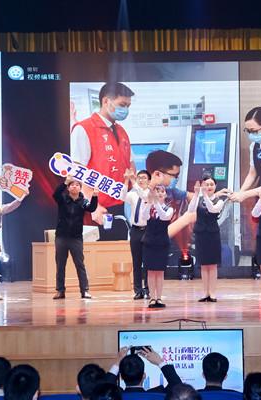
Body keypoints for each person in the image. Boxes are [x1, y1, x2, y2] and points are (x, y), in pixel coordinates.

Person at [70, 82, 135, 240]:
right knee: (98, 254)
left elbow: (130, 164)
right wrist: (93, 207)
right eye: (122, 104)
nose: (126, 110)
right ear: (106, 101)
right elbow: (77, 173)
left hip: (119, 207)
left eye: (128, 106)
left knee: (121, 253)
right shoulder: (84, 129)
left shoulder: (121, 131)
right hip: (96, 210)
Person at [52, 176, 98, 299]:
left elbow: (92, 208)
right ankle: (60, 290)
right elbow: (55, 194)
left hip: (76, 238)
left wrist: (95, 196)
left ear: (80, 188)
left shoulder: (83, 202)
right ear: (68, 188)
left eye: (77, 185)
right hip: (61, 237)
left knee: (80, 264)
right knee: (60, 265)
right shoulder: (62, 199)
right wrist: (64, 182)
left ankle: (85, 290)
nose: (74, 186)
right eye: (72, 185)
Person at [188, 177, 226, 302]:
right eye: (206, 184)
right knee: (204, 265)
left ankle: (213, 293)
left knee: (213, 265)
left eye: (211, 184)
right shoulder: (198, 199)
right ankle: (205, 292)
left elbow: (212, 209)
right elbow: (190, 210)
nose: (209, 187)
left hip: (212, 234)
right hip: (200, 235)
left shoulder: (219, 201)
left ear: (215, 186)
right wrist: (196, 194)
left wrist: (204, 195)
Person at [141, 185, 173, 308]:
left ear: (165, 194)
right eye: (157, 192)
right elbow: (144, 217)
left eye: (162, 192)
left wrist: (156, 203)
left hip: (162, 242)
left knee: (160, 271)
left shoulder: (169, 209)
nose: (159, 194)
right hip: (149, 242)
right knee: (150, 271)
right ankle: (152, 297)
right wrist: (150, 202)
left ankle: (159, 298)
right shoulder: (149, 207)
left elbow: (164, 216)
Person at [121, 169, 151, 300]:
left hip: (148, 230)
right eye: (139, 178)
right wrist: (126, 180)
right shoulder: (133, 194)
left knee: (148, 262)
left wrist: (133, 182)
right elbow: (122, 196)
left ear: (149, 181)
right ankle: (138, 290)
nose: (141, 180)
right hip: (135, 230)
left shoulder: (150, 193)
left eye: (144, 178)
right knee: (136, 261)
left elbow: (143, 195)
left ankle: (148, 289)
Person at [105, 347, 182, 393]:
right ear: (144, 376)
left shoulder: (115, 396)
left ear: (121, 377)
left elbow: (104, 386)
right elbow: (178, 387)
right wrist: (159, 361)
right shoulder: (158, 394)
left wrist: (118, 361)